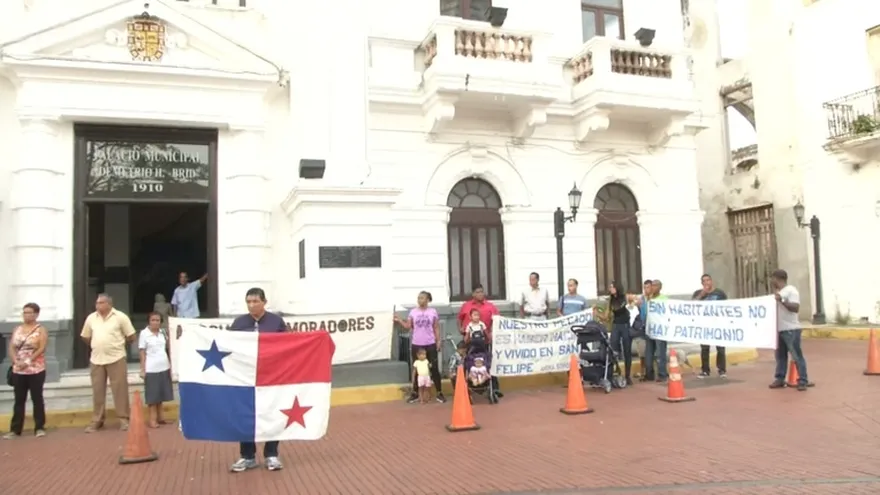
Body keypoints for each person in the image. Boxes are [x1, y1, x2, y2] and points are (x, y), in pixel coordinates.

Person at [228, 287, 288, 472]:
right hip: (245, 377)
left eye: (255, 301)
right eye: (248, 302)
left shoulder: (276, 322)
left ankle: (271, 455)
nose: (252, 305)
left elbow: (287, 347)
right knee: (245, 416)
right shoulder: (239, 323)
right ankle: (247, 456)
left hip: (271, 377)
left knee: (272, 413)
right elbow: (230, 348)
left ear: (264, 302)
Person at [81, 293, 137, 433]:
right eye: (97, 303)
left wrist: (117, 345)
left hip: (116, 358)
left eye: (101, 303)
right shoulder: (91, 318)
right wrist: (98, 344)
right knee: (98, 391)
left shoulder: (120, 317)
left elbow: (131, 336)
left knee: (120, 390)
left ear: (109, 304)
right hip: (96, 359)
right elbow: (86, 337)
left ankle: (124, 419)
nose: (98, 305)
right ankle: (97, 420)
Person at [4, 302, 48, 439]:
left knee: (37, 398)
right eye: (24, 312)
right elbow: (11, 346)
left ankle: (39, 427)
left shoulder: (40, 330)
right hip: (19, 370)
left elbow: (41, 348)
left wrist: (28, 361)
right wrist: (15, 361)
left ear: (36, 314)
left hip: (36, 369)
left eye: (29, 312)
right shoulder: (17, 329)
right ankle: (15, 429)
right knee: (19, 400)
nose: (26, 315)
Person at [394, 291, 445, 404]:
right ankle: (415, 393)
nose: (420, 300)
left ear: (427, 300)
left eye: (422, 298)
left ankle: (439, 392)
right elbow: (408, 326)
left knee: (434, 368)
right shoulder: (413, 312)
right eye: (418, 298)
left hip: (430, 342)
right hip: (417, 343)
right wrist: (399, 320)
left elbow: (436, 327)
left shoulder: (433, 312)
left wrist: (438, 341)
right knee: (417, 369)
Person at [768, 270, 811, 391]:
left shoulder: (791, 290)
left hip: (791, 329)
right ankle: (780, 378)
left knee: (797, 356)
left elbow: (795, 308)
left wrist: (782, 301)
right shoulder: (779, 292)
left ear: (777, 279)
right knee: (780, 356)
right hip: (780, 329)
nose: (772, 281)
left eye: (773, 279)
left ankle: (803, 380)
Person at [458, 284, 503, 397]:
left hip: (485, 340)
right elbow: (459, 319)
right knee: (468, 362)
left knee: (488, 362)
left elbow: (497, 320)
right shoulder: (466, 306)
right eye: (477, 292)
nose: (480, 294)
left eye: (482, 292)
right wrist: (461, 329)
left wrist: (492, 332)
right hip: (470, 341)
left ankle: (494, 388)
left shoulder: (490, 306)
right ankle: (466, 388)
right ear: (473, 294)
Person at [138, 312, 173, 428]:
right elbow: (142, 352)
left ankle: (161, 417)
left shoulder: (163, 333)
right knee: (153, 396)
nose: (155, 322)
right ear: (149, 321)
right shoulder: (144, 334)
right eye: (153, 320)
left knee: (161, 394)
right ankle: (152, 419)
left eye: (158, 320)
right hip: (151, 368)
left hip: (164, 366)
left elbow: (168, 348)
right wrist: (142, 369)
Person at [693, 274, 728, 378]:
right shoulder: (698, 293)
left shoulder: (719, 293)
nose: (706, 282)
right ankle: (705, 370)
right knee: (704, 348)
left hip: (718, 324)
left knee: (720, 348)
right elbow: (692, 306)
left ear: (711, 281)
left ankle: (721, 370)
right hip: (704, 325)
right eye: (704, 281)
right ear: (701, 283)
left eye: (708, 280)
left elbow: (727, 307)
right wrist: (702, 295)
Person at [643, 280, 668, 383]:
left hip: (660, 330)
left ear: (660, 287)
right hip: (650, 329)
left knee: (660, 353)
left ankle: (662, 374)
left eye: (655, 285)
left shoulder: (664, 299)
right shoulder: (647, 299)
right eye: (652, 285)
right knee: (648, 353)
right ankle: (649, 374)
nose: (653, 287)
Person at [607, 282, 633, 385]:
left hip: (625, 325)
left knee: (627, 350)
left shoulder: (624, 297)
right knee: (613, 349)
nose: (610, 289)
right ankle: (614, 371)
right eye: (610, 287)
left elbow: (623, 306)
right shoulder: (611, 299)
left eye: (612, 287)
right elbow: (608, 314)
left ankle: (628, 375)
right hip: (616, 325)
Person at [634, 280, 653, 379]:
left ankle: (651, 372)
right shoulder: (641, 299)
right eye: (644, 287)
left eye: (648, 287)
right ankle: (643, 372)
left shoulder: (655, 299)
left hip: (653, 328)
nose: (646, 290)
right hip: (642, 328)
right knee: (642, 352)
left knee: (652, 351)